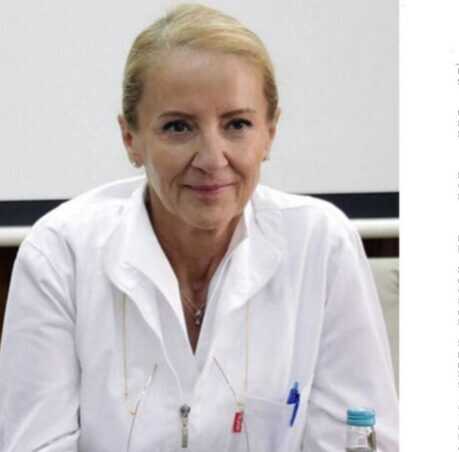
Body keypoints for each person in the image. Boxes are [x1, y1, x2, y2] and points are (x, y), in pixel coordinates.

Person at [0, 4, 398, 451]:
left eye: (237, 124)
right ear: (131, 139)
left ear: (269, 132)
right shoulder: (60, 255)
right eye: (178, 127)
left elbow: (358, 436)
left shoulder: (321, 245)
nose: (211, 159)